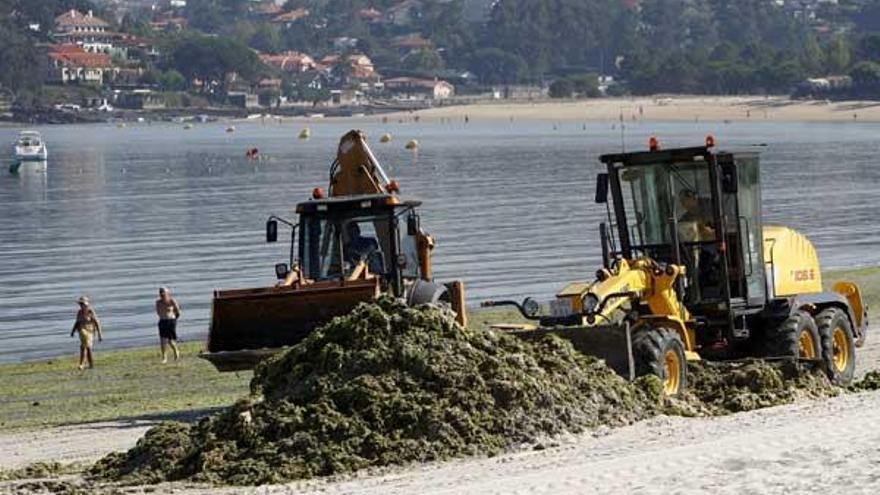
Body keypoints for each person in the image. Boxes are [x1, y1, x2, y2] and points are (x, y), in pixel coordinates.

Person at [70, 296, 102, 370]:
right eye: (80, 304)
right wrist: (72, 331)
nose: (81, 305)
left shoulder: (91, 311)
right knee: (83, 347)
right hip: (82, 332)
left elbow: (97, 323)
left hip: (90, 332)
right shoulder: (79, 312)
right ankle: (84, 364)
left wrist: (100, 335)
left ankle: (88, 364)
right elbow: (77, 322)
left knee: (87, 347)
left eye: (82, 304)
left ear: (86, 304)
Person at [155, 286, 181, 363]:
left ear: (167, 293)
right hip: (162, 321)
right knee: (162, 340)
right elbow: (158, 312)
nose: (162, 294)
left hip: (171, 321)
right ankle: (164, 357)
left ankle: (176, 351)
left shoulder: (172, 301)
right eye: (161, 293)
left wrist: (174, 318)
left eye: (163, 292)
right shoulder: (158, 302)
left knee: (170, 340)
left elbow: (178, 311)